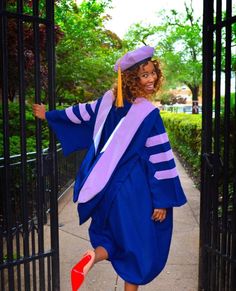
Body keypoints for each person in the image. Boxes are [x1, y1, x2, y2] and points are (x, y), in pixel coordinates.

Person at [33, 46, 187, 291]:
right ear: (131, 79)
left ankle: (92, 257)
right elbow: (159, 159)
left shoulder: (106, 103)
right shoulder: (148, 115)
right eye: (144, 75)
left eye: (152, 72)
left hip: (105, 188)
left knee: (114, 238)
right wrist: (162, 200)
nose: (152, 78)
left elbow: (79, 114)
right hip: (135, 190)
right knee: (139, 247)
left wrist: (49, 115)